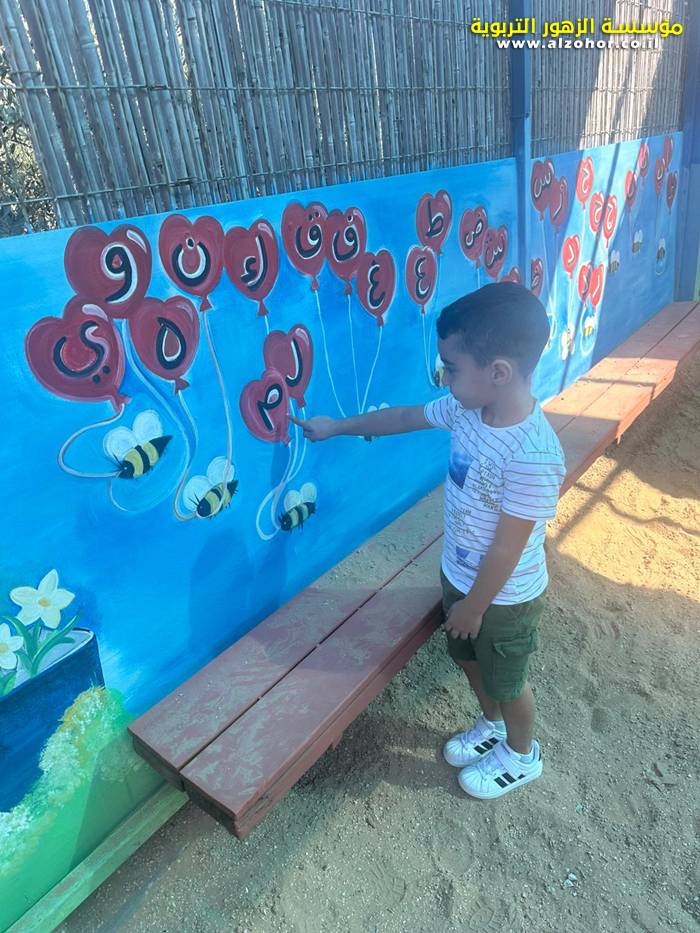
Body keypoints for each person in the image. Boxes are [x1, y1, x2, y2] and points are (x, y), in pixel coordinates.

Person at [289, 281, 566, 799]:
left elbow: (508, 548)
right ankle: (492, 726)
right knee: (467, 660)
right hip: (459, 577)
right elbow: (403, 416)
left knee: (507, 682)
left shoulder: (533, 455)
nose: (444, 377)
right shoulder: (466, 410)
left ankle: (521, 754)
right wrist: (336, 427)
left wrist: (475, 607)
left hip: (503, 598)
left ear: (498, 372)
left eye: (452, 368)